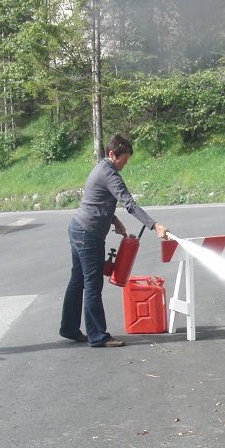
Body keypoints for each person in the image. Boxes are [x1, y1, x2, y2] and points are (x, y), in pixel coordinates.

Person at [60, 133, 169, 348]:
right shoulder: (109, 173)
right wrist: (154, 225)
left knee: (78, 281)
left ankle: (69, 328)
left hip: (78, 228)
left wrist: (114, 220)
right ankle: (98, 336)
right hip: (88, 234)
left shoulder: (101, 168)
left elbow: (97, 200)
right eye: (123, 160)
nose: (125, 164)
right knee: (92, 285)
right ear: (112, 154)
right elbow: (129, 203)